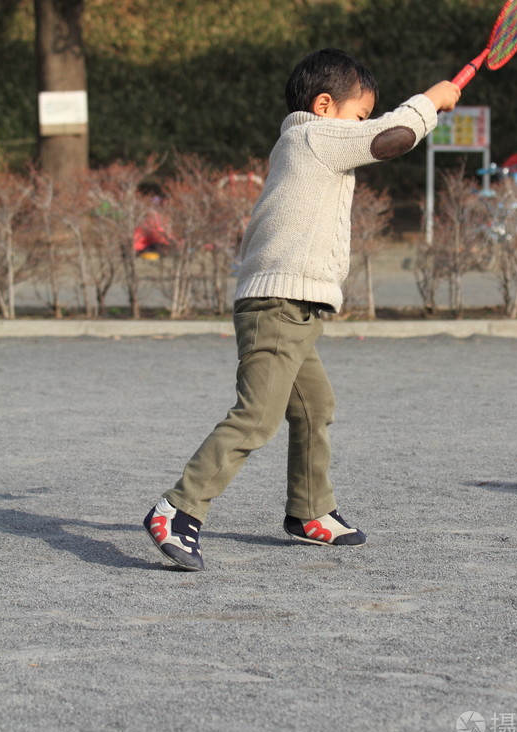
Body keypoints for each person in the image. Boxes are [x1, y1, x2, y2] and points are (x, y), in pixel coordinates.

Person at [144, 48, 461, 570]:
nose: (362, 125)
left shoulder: (305, 141)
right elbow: (394, 137)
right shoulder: (314, 136)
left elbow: (377, 132)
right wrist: (433, 100)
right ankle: (178, 509)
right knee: (256, 418)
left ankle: (310, 511)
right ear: (324, 105)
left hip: (291, 306)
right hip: (278, 305)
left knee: (315, 406)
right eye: (359, 114)